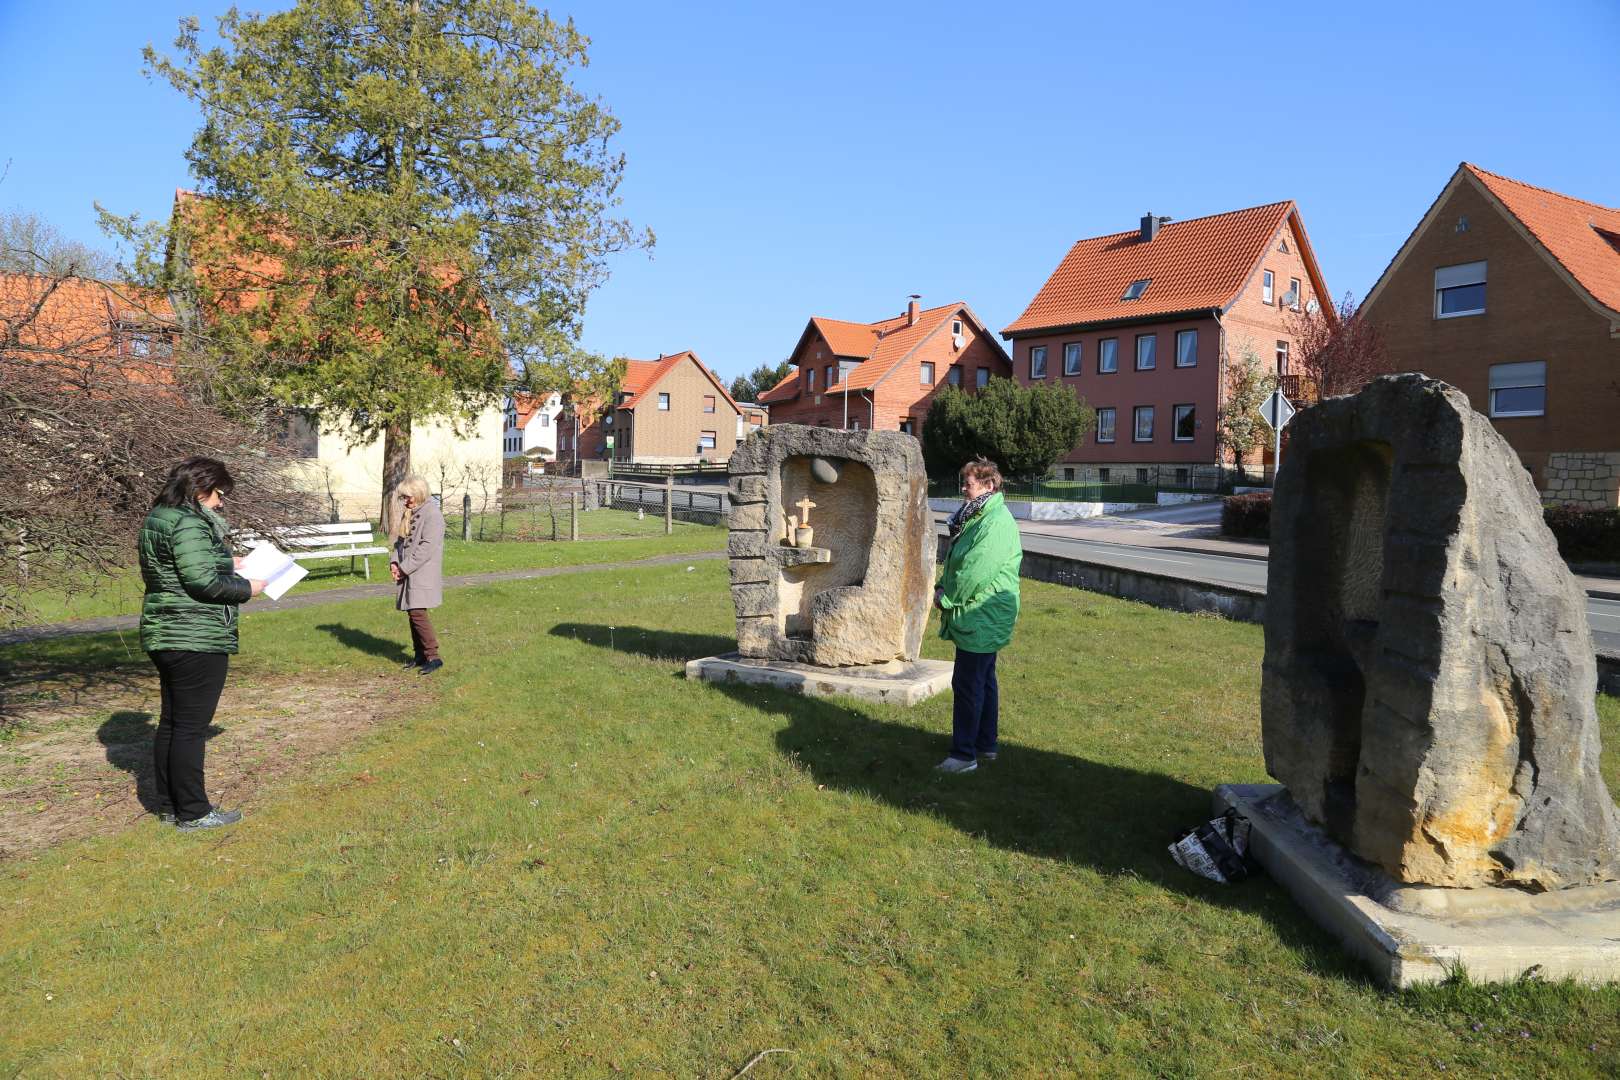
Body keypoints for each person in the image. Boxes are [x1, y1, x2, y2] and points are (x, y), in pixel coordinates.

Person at [138, 457, 266, 830]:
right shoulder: (189, 521)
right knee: (191, 729)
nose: (220, 503)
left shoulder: (160, 517)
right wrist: (249, 588)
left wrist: (228, 560)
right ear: (199, 489)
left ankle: (168, 805)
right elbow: (201, 583)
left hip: (166, 632)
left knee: (173, 723)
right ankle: (193, 812)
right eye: (218, 494)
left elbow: (178, 565)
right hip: (194, 635)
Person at [933, 457, 1022, 774]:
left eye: (968, 483)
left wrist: (947, 597)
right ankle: (986, 745)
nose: (963, 488)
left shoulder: (994, 521)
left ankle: (963, 756)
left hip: (982, 611)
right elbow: (961, 559)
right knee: (983, 681)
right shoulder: (982, 515)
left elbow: (976, 569)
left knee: (968, 683)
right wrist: (943, 584)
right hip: (982, 612)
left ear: (989, 485)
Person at [390, 475, 446, 675]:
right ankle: (420, 655)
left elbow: (426, 548)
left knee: (417, 612)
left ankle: (433, 657)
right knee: (411, 612)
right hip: (408, 570)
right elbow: (399, 542)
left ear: (419, 493)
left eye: (408, 496)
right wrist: (395, 562)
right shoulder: (410, 513)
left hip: (422, 572)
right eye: (404, 497)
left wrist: (404, 568)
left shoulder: (433, 514)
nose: (406, 500)